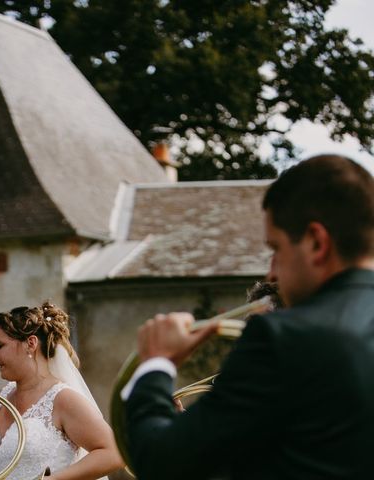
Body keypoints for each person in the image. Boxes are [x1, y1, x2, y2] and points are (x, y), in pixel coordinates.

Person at [123, 154, 374, 479]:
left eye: (277, 248)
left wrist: (156, 364)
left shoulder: (283, 338)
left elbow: (162, 463)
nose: (271, 273)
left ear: (316, 242)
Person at [0, 302, 123, 480]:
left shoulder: (63, 399)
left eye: (0, 345)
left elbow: (114, 452)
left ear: (30, 344)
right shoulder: (2, 396)